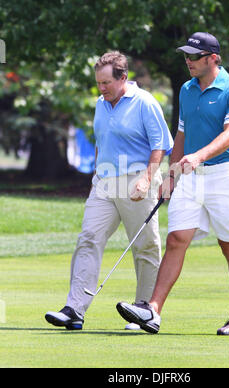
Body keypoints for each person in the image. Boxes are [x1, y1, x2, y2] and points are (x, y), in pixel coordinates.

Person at [116, 32, 229, 336]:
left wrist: (198, 156)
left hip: (225, 174)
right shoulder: (186, 90)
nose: (188, 61)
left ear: (213, 58)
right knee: (177, 239)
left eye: (194, 56)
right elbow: (181, 134)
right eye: (186, 56)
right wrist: (171, 174)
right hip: (190, 175)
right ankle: (152, 311)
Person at [45, 51, 173, 330]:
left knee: (145, 246)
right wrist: (96, 173)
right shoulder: (100, 104)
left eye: (106, 83)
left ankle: (144, 311)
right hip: (104, 182)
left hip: (137, 179)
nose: (101, 89)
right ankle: (74, 309)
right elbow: (102, 141)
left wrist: (147, 179)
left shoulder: (145, 103)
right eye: (98, 83)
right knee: (89, 237)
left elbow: (160, 144)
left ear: (123, 78)